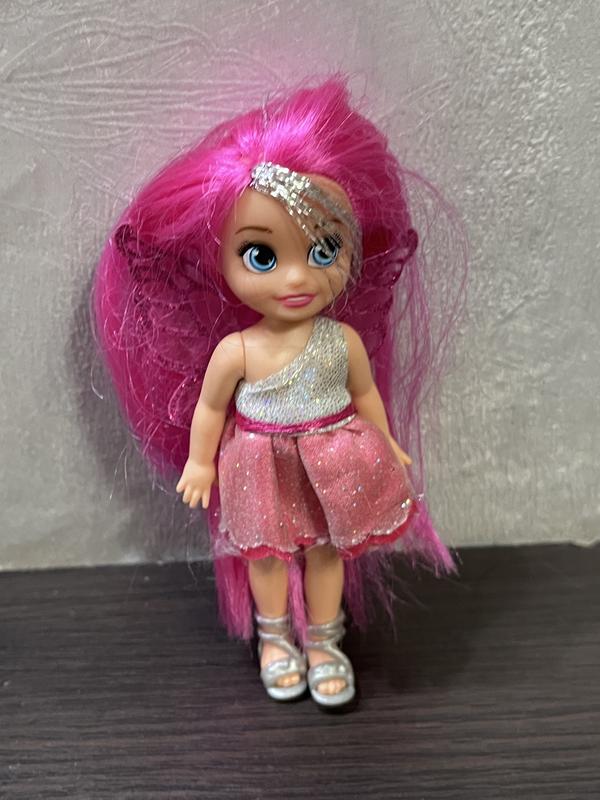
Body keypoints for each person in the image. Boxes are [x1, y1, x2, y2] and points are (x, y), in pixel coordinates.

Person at [93, 77, 462, 708]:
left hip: (332, 460)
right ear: (220, 259)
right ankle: (274, 641)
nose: (297, 278)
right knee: (265, 558)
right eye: (262, 256)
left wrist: (387, 442)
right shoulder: (239, 351)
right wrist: (200, 461)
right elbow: (212, 406)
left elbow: (366, 394)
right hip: (257, 462)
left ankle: (324, 642)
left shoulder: (341, 340)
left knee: (325, 551)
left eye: (324, 249)